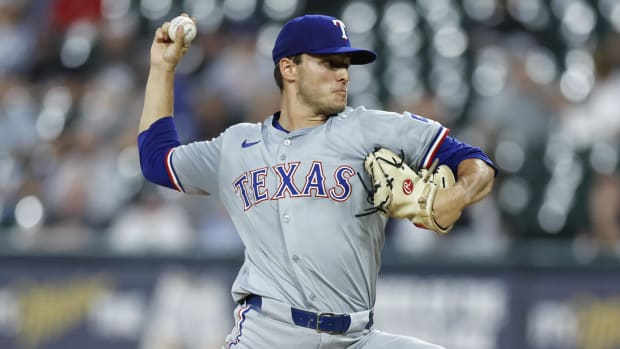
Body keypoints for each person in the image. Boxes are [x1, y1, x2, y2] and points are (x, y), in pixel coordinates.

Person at [138, 14, 496, 349]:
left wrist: (458, 195)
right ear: (288, 68)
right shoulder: (236, 145)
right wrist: (162, 68)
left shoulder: (371, 128)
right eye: (329, 63)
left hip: (355, 338)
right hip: (267, 335)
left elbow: (474, 161)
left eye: (345, 65)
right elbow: (157, 161)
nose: (343, 75)